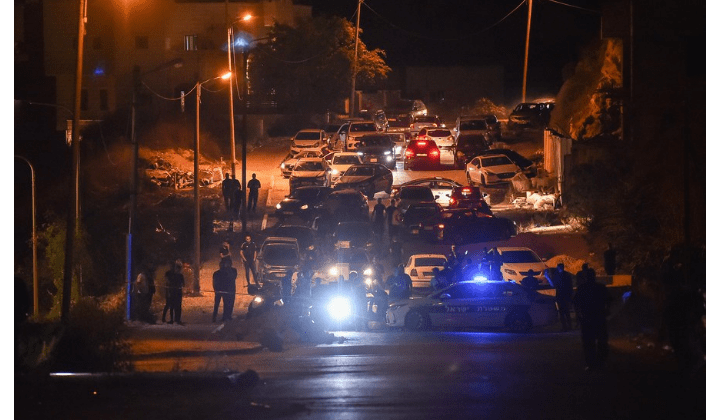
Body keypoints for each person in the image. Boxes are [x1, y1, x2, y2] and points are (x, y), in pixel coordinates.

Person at [573, 268, 611, 370]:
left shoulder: (582, 288)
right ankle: (601, 362)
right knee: (601, 341)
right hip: (599, 317)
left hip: (587, 318)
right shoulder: (600, 287)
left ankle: (591, 363)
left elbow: (576, 303)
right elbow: (609, 300)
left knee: (589, 342)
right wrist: (607, 310)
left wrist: (579, 316)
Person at [545, 263, 574, 331]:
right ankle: (569, 326)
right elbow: (570, 285)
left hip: (560, 295)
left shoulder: (558, 276)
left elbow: (553, 285)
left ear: (558, 268)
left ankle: (565, 327)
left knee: (562, 312)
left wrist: (547, 277)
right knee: (566, 312)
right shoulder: (567, 275)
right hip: (566, 295)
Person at [162, 259, 185, 324]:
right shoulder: (171, 274)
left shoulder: (179, 275)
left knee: (177, 306)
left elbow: (183, 284)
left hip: (176, 292)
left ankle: (176, 319)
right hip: (172, 292)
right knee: (171, 305)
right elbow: (168, 282)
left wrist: (179, 286)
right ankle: (172, 319)